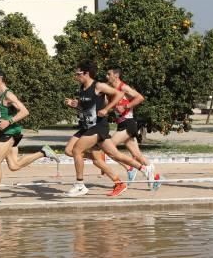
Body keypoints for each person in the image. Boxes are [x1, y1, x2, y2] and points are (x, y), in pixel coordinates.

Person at [63, 61, 156, 198]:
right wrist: (75, 104)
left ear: (86, 73)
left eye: (78, 74)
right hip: (86, 126)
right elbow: (86, 106)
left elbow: (118, 94)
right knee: (104, 155)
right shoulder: (82, 87)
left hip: (97, 127)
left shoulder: (99, 86)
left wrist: (107, 109)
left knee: (77, 150)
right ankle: (141, 170)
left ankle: (80, 185)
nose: (76, 76)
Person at [0, 70, 59, 205]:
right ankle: (43, 152)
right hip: (9, 132)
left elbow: (25, 111)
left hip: (10, 133)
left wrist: (8, 122)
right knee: (14, 166)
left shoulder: (8, 94)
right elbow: (4, 115)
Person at [105, 67, 159, 188]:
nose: (106, 77)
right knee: (138, 156)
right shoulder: (110, 91)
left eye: (109, 74)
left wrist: (126, 106)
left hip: (129, 123)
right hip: (121, 124)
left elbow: (140, 97)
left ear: (116, 75)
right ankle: (155, 178)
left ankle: (130, 168)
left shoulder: (123, 87)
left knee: (108, 148)